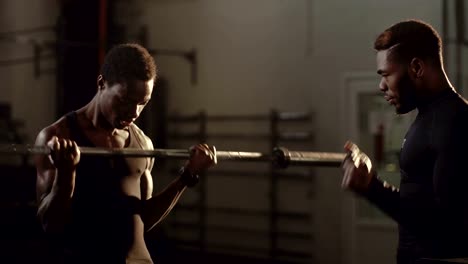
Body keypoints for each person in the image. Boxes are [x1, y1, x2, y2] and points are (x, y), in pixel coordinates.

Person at [34, 43, 217, 263]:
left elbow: (144, 219)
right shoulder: (57, 136)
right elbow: (50, 225)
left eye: (143, 103)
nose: (134, 112)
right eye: (125, 100)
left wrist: (187, 176)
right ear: (102, 83)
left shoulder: (142, 144)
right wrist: (66, 175)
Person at [341, 20, 468, 264]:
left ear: (417, 67)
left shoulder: (453, 122)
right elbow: (421, 205)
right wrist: (370, 184)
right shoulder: (429, 118)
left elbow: (447, 225)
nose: (381, 85)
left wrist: (372, 189)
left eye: (386, 74)